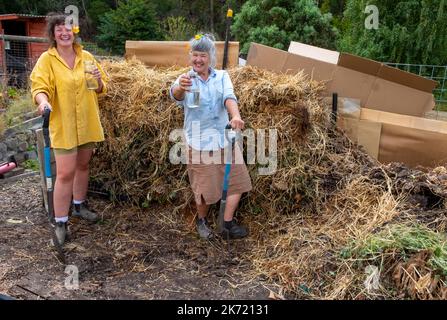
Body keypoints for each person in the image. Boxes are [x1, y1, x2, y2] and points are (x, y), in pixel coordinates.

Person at [30, 13, 108, 245]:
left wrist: (98, 80)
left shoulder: (87, 56)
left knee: (83, 165)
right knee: (65, 173)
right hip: (63, 123)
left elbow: (101, 88)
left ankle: (79, 205)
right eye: (60, 29)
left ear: (75, 32)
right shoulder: (47, 59)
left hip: (86, 121)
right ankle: (61, 222)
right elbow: (39, 87)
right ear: (53, 33)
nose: (65, 33)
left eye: (69, 29)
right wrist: (43, 102)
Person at [170, 33, 252, 239]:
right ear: (190, 56)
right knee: (204, 190)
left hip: (225, 139)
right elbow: (175, 94)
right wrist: (181, 87)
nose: (198, 59)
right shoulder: (185, 79)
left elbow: (229, 97)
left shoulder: (222, 76)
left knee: (237, 182)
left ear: (210, 57)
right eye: (195, 55)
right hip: (199, 142)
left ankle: (226, 224)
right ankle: (202, 222)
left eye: (203, 55)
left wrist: (235, 116)